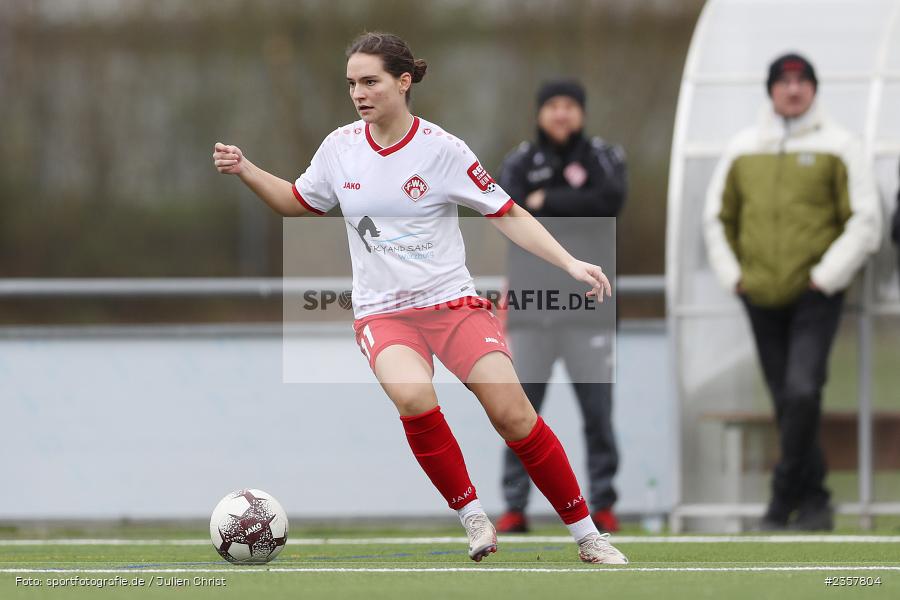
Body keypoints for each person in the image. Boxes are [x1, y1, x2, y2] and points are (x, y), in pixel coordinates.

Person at [212, 32, 627, 565]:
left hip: (452, 304)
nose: (359, 93)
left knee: (513, 415)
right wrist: (246, 169)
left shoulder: (443, 150)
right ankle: (473, 517)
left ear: (403, 82)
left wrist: (570, 263)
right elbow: (298, 202)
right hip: (384, 313)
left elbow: (508, 214)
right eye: (352, 84)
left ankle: (587, 535)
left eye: (370, 81)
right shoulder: (339, 148)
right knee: (413, 397)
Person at [703, 53, 881, 531]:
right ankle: (818, 500)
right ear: (771, 90)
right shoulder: (743, 148)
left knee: (802, 391)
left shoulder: (841, 146)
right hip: (758, 294)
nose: (794, 89)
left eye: (803, 81)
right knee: (788, 400)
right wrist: (733, 277)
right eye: (784, 81)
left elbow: (866, 220)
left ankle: (782, 500)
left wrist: (825, 277)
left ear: (814, 89)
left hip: (815, 296)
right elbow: (716, 219)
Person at [495, 79, 626, 534]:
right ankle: (515, 506)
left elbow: (609, 201)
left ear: (582, 112)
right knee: (518, 412)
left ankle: (604, 504)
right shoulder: (518, 161)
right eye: (552, 105)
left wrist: (546, 200)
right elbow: (507, 213)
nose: (561, 113)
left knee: (598, 415)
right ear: (540, 112)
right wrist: (555, 206)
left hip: (591, 309)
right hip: (531, 309)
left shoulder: (605, 158)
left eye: (570, 105)